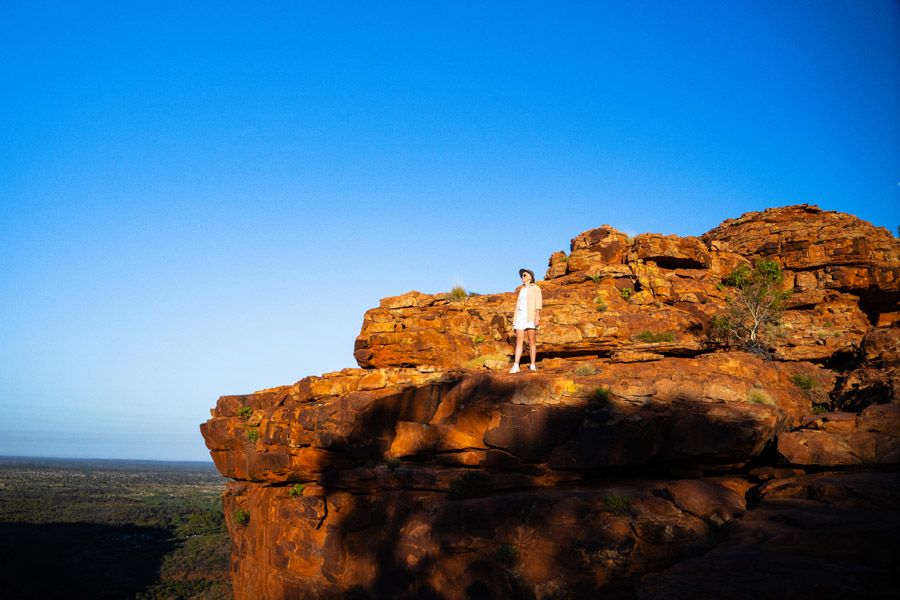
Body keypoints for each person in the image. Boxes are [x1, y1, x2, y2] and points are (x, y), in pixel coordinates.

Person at [510, 268, 542, 373]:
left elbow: (538, 303)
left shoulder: (536, 288)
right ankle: (516, 365)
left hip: (531, 317)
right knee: (519, 341)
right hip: (520, 317)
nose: (522, 277)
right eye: (522, 276)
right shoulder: (521, 290)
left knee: (531, 341)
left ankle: (532, 364)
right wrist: (514, 321)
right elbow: (517, 306)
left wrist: (537, 316)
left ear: (530, 276)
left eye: (524, 275)